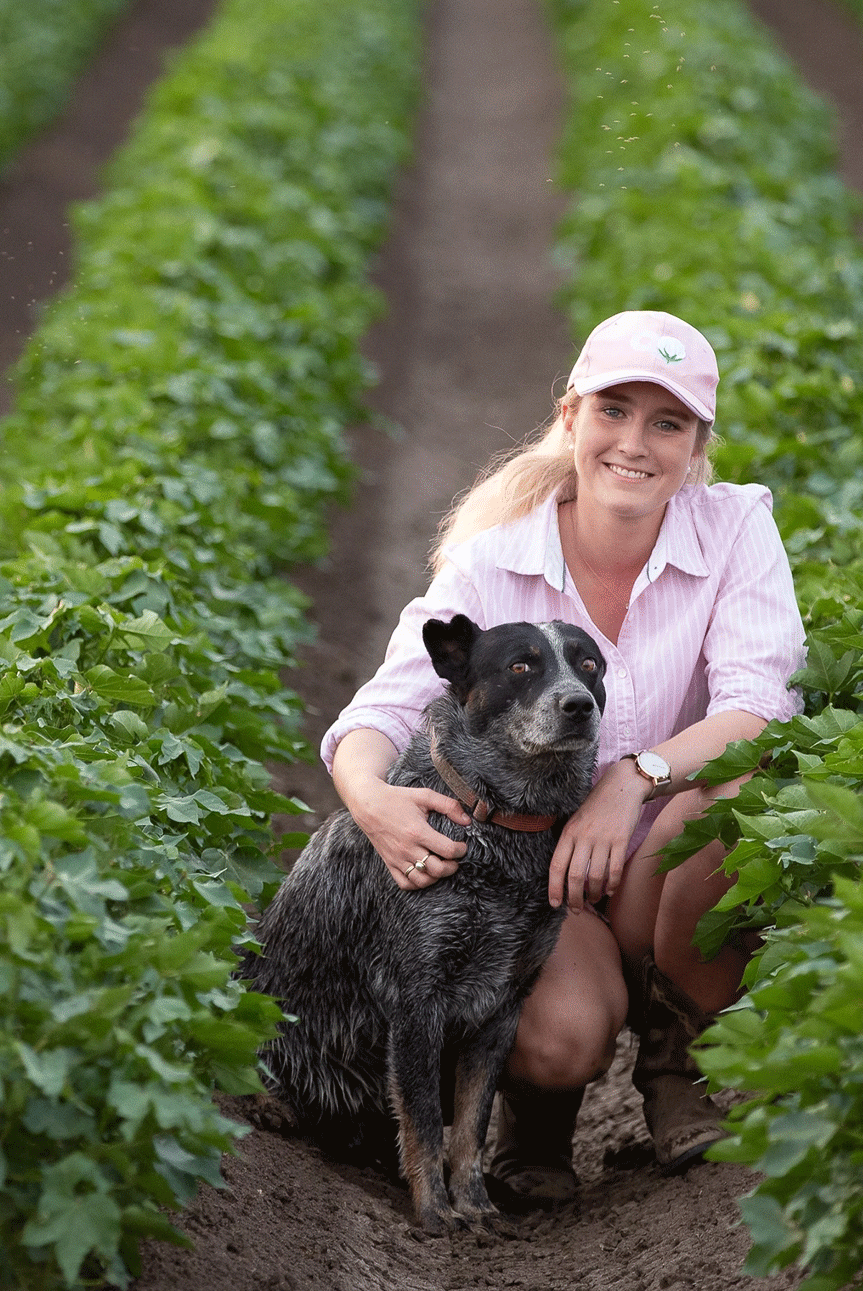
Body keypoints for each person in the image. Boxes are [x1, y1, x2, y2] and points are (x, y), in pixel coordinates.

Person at [320, 308, 805, 1203]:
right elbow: (383, 707)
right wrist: (368, 796)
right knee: (559, 1039)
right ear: (572, 416)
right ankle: (536, 1119)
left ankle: (675, 1069)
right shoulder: (494, 563)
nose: (636, 443)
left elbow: (759, 708)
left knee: (740, 802)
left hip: (672, 857)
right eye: (614, 411)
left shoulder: (735, 529)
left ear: (698, 444)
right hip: (551, 876)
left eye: (668, 423)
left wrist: (633, 778)